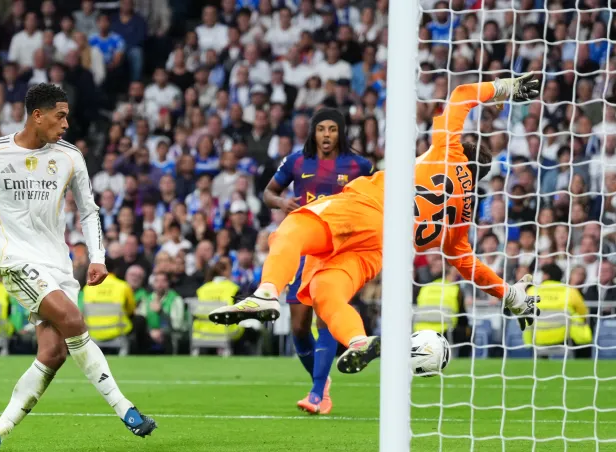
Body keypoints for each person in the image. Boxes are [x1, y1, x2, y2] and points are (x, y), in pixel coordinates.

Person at [210, 75, 544, 376]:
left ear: (463, 151)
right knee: (327, 294)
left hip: (365, 209)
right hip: (378, 249)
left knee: (291, 228)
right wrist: (510, 294)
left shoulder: (449, 151)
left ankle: (266, 293)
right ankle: (358, 340)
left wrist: (506, 88)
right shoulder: (462, 220)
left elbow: (461, 95)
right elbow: (470, 267)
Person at [0, 83, 156, 452]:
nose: (66, 124)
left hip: (58, 263)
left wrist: (97, 256)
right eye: (61, 116)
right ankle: (125, 409)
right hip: (16, 260)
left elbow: (88, 210)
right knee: (72, 319)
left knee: (53, 353)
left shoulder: (70, 156)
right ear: (37, 116)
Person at [260, 107, 373, 414]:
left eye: (332, 129)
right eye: (321, 129)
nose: (326, 135)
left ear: (340, 133)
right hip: (302, 248)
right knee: (298, 326)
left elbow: (377, 199)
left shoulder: (359, 165)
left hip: (338, 249)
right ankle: (320, 383)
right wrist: (282, 202)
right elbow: (268, 192)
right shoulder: (297, 161)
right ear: (313, 132)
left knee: (325, 315)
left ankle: (316, 393)